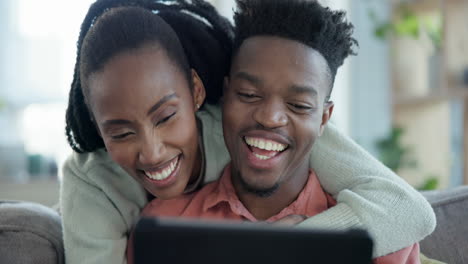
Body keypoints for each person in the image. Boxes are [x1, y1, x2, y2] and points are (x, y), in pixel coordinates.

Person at [60, 0, 435, 264]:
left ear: (197, 93)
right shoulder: (98, 187)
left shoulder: (247, 121)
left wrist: (289, 246)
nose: (153, 151)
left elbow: (407, 208)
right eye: (123, 133)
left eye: (166, 117)